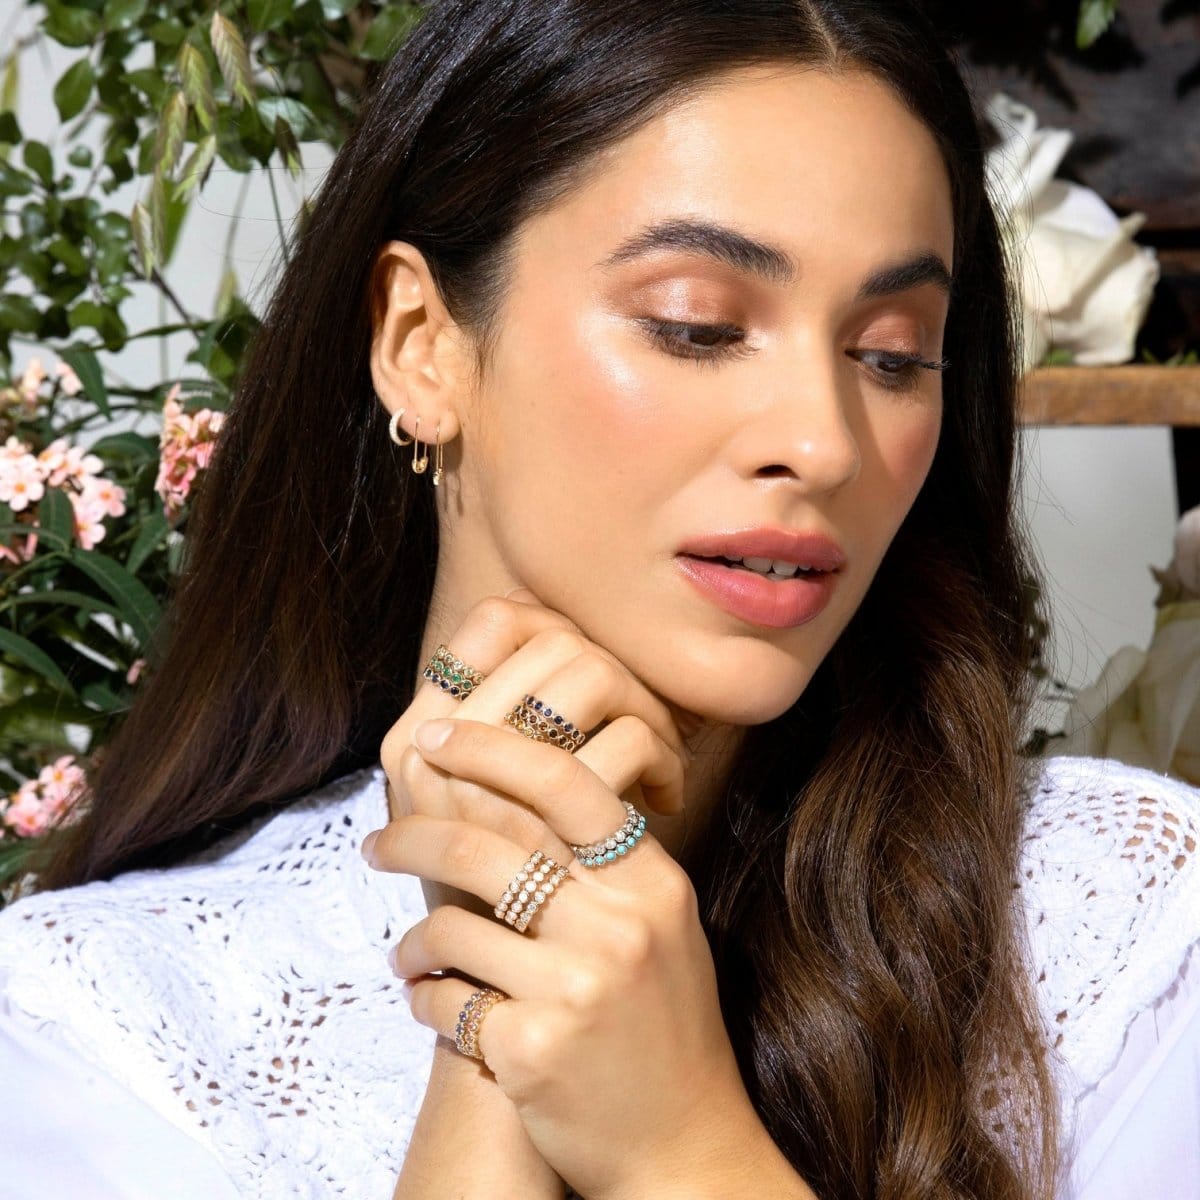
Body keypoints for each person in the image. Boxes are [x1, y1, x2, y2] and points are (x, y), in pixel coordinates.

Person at [1, 1, 1197, 1197]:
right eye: (698, 327)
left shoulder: (1122, 935)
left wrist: (675, 1142)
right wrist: (503, 1009)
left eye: (891, 354)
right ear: (421, 344)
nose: (823, 443)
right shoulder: (108, 1022)